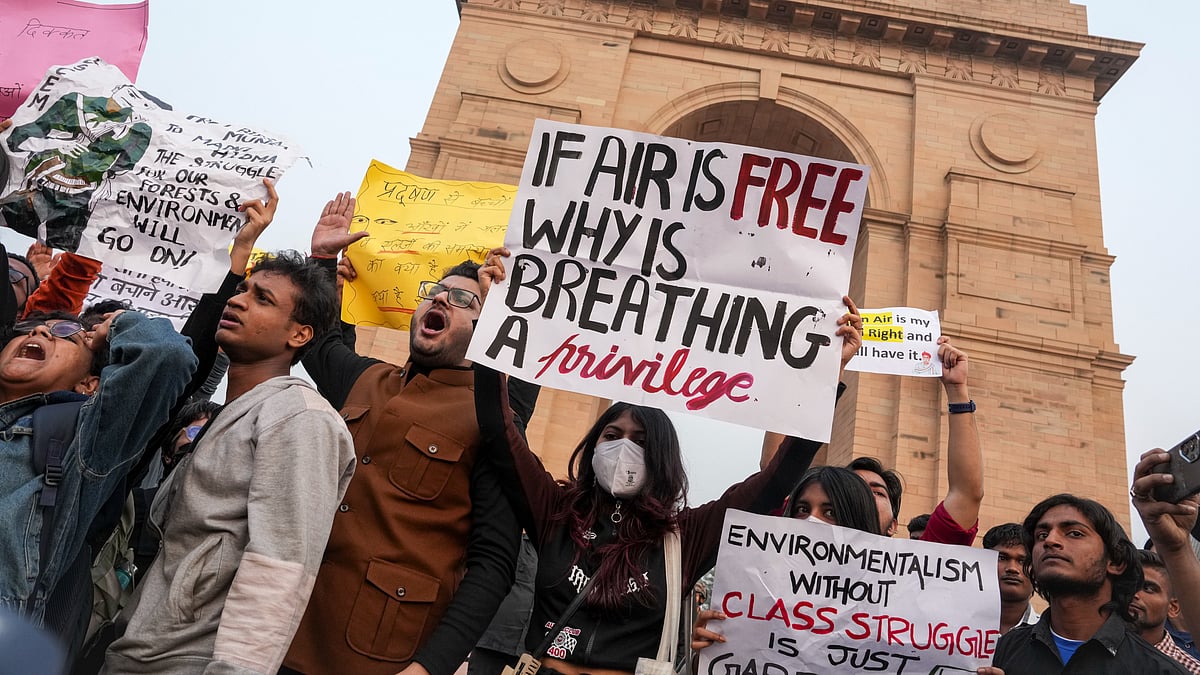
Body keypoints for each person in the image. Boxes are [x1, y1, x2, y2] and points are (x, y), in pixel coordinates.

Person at [474, 251, 863, 675]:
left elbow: (775, 482)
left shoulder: (685, 536)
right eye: (612, 436)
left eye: (640, 441)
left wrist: (826, 378)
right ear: (592, 445)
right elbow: (500, 432)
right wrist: (493, 321)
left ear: (660, 458)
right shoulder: (554, 509)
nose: (623, 448)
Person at [282, 193, 522, 675]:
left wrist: (432, 667)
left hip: (379, 657)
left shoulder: (495, 422)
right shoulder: (366, 378)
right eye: (435, 291)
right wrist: (323, 261)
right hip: (281, 632)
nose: (441, 298)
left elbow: (494, 564)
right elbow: (319, 341)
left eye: (464, 299)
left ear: (487, 326)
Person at [104, 252, 357, 674]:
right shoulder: (234, 413)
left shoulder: (299, 417)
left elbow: (279, 567)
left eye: (263, 298)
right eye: (242, 290)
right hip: (142, 650)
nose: (238, 300)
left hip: (193, 661)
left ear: (299, 334)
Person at [763, 336, 983, 546]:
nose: (865, 496)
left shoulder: (911, 566)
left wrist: (957, 390)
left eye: (877, 493)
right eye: (854, 487)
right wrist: (804, 368)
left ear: (893, 525)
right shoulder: (788, 536)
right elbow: (776, 471)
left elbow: (966, 495)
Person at [979, 494, 1186, 674]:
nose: (1050, 541)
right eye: (1041, 535)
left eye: (1074, 533)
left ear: (1115, 562)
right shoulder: (1004, 650)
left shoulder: (1159, 669)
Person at [690, 464, 882, 652]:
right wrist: (710, 650)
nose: (812, 520)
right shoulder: (756, 594)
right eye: (802, 509)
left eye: (830, 513)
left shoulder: (884, 614)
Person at [1130, 550, 1200, 673]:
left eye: (1148, 588)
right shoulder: (1098, 654)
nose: (1134, 594)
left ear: (1173, 607)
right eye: (1129, 585)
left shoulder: (1190, 670)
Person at [983, 523, 1040, 635]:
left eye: (1023, 561)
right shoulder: (954, 625)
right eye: (1002, 558)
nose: (1012, 568)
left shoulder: (1052, 634)